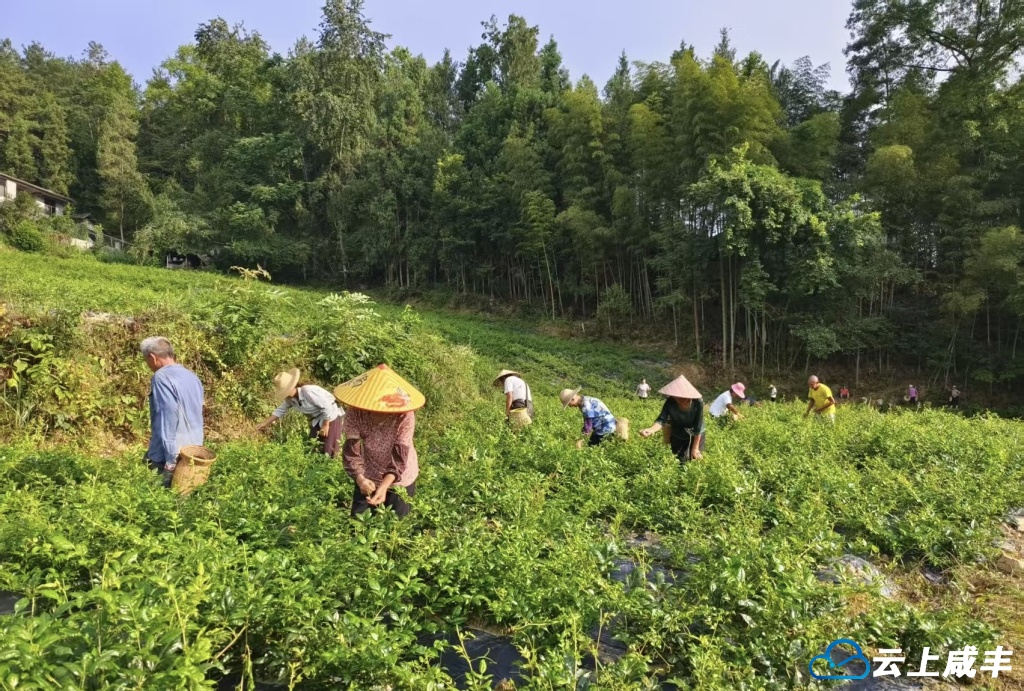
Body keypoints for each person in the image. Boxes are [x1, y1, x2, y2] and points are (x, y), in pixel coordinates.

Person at [334, 364, 423, 518]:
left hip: (400, 477)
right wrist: (360, 479)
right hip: (368, 476)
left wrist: (384, 486)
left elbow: (399, 457)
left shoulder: (404, 415)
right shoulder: (355, 412)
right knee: (358, 524)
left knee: (396, 527)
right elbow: (351, 451)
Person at [141, 337, 204, 488]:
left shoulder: (161, 377)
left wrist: (170, 459)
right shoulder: (193, 377)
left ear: (152, 357)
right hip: (192, 450)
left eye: (146, 360)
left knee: (157, 499)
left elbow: (168, 415)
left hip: (168, 454)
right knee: (184, 496)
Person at [256, 368, 344, 458]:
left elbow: (327, 406)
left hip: (331, 416)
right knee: (312, 447)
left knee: (329, 448)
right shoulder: (290, 399)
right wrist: (265, 423)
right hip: (317, 420)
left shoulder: (308, 391)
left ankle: (329, 467)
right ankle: (314, 469)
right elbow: (280, 411)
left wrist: (326, 425)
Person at [639, 375, 706, 462]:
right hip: (678, 431)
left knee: (694, 458)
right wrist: (651, 430)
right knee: (679, 459)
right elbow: (661, 419)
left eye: (682, 397)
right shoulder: (670, 402)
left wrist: (695, 448)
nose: (678, 399)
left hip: (696, 434)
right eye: (676, 396)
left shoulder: (698, 402)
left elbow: (698, 426)